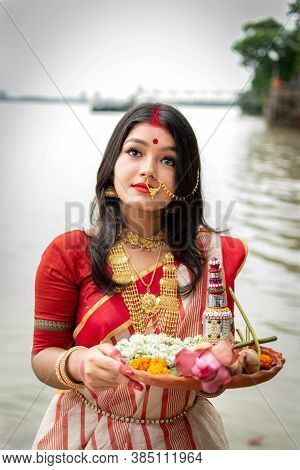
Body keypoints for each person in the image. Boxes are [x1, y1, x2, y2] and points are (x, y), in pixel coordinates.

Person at [31, 102, 250, 450]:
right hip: (86, 435)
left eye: (168, 160)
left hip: (187, 438)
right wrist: (79, 362)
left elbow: (222, 351)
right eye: (135, 151)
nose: (149, 171)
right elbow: (43, 354)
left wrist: (221, 371)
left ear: (184, 180)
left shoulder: (216, 256)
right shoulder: (68, 252)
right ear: (112, 166)